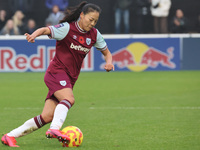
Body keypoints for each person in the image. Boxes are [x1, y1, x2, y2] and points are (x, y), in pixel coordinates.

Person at [1, 1, 114, 147]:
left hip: (69, 78)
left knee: (47, 116)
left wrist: (109, 62)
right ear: (82, 15)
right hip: (56, 72)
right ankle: (54, 129)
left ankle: (9, 136)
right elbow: (45, 30)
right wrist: (33, 35)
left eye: (95, 21)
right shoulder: (67, 28)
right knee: (69, 99)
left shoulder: (94, 34)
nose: (92, 23)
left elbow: (107, 52)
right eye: (90, 19)